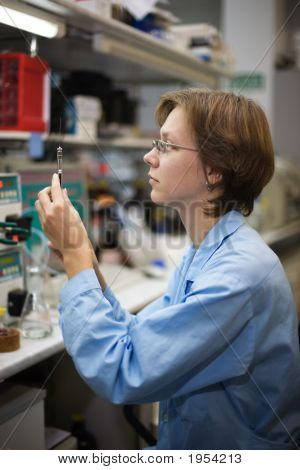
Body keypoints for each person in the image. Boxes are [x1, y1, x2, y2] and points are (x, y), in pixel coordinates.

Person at [36, 88, 300, 450]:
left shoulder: (238, 275)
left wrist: (76, 254)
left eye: (166, 146)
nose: (149, 157)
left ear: (215, 171)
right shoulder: (204, 252)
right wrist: (85, 261)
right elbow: (139, 338)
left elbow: (123, 370)